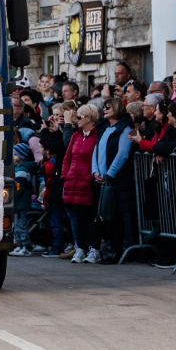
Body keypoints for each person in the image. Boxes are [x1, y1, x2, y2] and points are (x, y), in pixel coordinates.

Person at [91, 97, 134, 263]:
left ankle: (116, 250)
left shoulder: (124, 128)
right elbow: (96, 150)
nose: (105, 109)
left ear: (116, 108)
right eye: (104, 107)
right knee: (104, 216)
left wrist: (110, 174)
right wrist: (95, 172)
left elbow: (122, 154)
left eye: (108, 106)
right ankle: (109, 248)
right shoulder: (103, 127)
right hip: (101, 180)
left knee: (115, 217)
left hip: (115, 181)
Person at [61, 104, 100, 264]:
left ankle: (92, 247)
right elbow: (67, 158)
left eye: (79, 117)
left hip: (86, 182)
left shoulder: (97, 136)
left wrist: (89, 177)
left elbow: (97, 159)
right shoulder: (76, 136)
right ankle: (80, 247)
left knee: (89, 216)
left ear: (88, 118)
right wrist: (65, 176)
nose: (76, 120)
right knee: (76, 217)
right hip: (72, 181)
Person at [9, 143, 37, 257]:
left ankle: (27, 247)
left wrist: (11, 195)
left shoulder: (22, 170)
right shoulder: (19, 168)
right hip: (17, 203)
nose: (13, 156)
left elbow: (19, 188)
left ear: (22, 156)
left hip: (20, 203)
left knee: (20, 226)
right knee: (16, 226)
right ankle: (20, 245)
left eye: (15, 154)